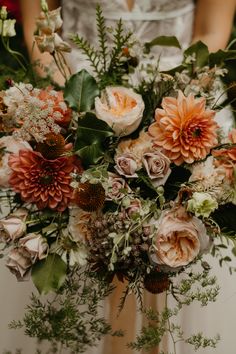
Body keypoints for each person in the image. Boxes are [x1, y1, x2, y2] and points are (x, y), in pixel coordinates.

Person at [2, 1, 234, 354]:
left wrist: (170, 115)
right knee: (80, 251)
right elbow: (41, 29)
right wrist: (73, 119)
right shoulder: (72, 109)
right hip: (74, 97)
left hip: (182, 108)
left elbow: (210, 31)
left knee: (171, 248)